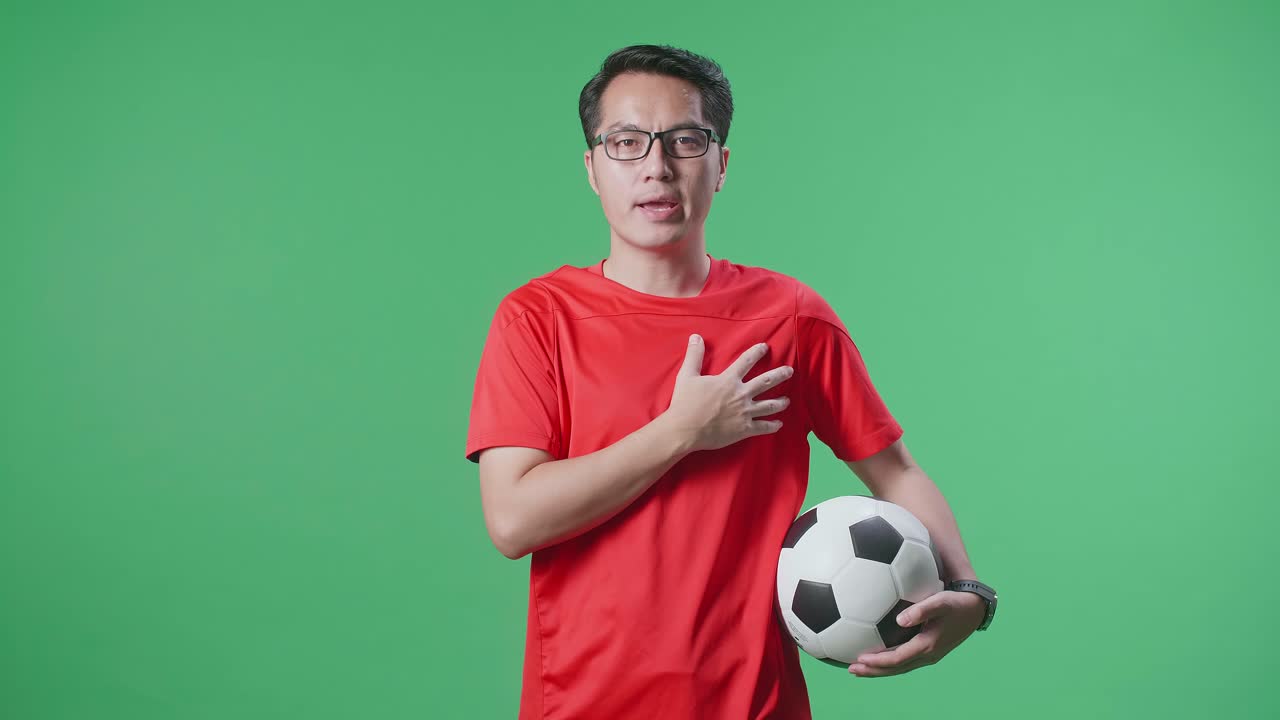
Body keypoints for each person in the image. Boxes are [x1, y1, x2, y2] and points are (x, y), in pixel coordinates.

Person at [465, 44, 996, 720]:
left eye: (686, 140)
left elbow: (895, 472)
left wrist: (970, 591)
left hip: (754, 704)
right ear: (593, 169)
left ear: (720, 165)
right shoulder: (537, 318)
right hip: (581, 703)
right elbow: (513, 520)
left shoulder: (792, 316)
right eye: (626, 142)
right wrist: (681, 431)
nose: (657, 166)